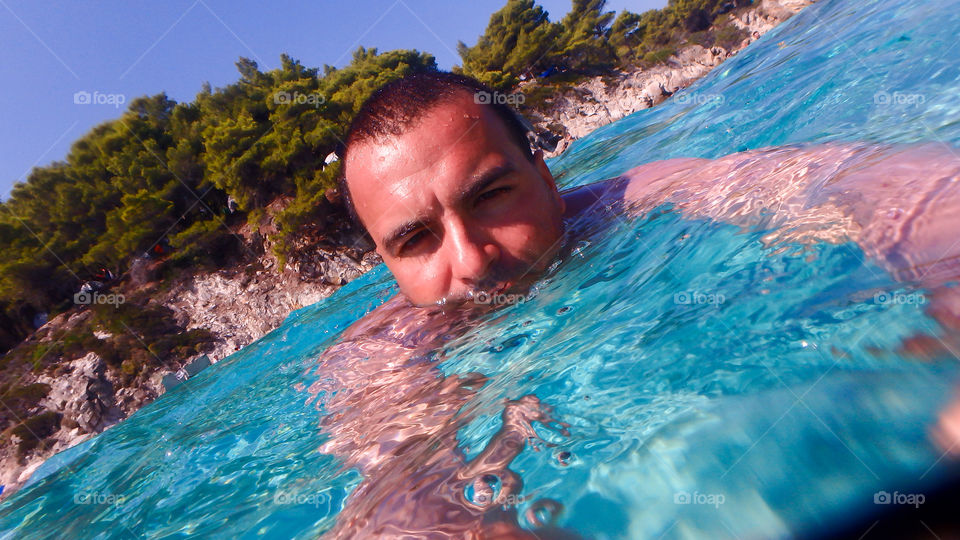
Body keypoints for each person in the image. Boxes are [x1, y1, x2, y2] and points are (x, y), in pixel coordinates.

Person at [309, 70, 960, 538]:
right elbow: (397, 489)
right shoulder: (381, 357)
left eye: (490, 196)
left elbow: (877, 183)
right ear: (387, 263)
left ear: (543, 172)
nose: (472, 260)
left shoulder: (635, 203)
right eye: (417, 239)